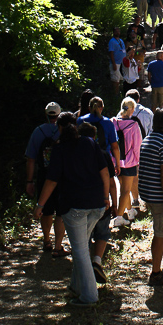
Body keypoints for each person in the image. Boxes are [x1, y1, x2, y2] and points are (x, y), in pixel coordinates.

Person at [34, 113, 110, 306]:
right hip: (97, 205)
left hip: (75, 206)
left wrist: (40, 205)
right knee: (82, 247)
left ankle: (89, 296)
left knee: (80, 250)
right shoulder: (89, 143)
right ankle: (76, 287)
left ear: (60, 131)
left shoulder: (59, 149)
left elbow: (52, 180)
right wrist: (106, 197)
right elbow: (105, 172)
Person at [138, 107, 163, 286]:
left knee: (161, 227)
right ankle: (156, 273)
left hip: (147, 192)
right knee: (159, 233)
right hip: (158, 195)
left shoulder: (148, 139)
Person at [25, 101, 67, 258]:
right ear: (59, 114)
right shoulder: (64, 131)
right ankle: (58, 245)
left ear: (46, 114)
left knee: (46, 210)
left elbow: (30, 159)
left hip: (44, 175)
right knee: (61, 213)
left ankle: (46, 240)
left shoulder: (38, 132)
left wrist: (29, 181)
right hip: (61, 176)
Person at [78, 122, 118, 284]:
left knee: (85, 234)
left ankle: (86, 265)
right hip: (102, 200)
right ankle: (97, 261)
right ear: (95, 137)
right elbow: (111, 181)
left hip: (81, 200)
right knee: (102, 232)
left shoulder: (75, 155)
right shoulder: (103, 154)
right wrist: (114, 203)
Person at [112, 97, 143, 227]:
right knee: (126, 190)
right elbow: (137, 146)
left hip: (117, 161)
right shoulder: (134, 125)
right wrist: (139, 161)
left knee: (122, 186)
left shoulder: (113, 122)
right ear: (132, 110)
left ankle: (130, 211)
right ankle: (119, 217)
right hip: (130, 162)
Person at [125, 89, 153, 210]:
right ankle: (148, 199)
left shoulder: (121, 115)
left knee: (132, 176)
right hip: (144, 148)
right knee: (146, 175)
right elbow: (152, 131)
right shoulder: (147, 113)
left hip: (128, 151)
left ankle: (135, 200)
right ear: (138, 99)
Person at [77, 96, 121, 175]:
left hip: (83, 159)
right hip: (103, 159)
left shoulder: (80, 121)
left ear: (89, 108)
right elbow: (114, 146)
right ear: (102, 108)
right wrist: (118, 164)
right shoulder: (108, 123)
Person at [108, 27, 126, 95]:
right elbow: (111, 53)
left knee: (122, 79)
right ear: (114, 32)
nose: (118, 32)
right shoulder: (112, 41)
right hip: (116, 63)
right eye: (116, 31)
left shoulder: (121, 40)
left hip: (122, 64)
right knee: (116, 80)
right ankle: (115, 95)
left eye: (119, 31)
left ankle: (121, 93)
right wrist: (114, 63)